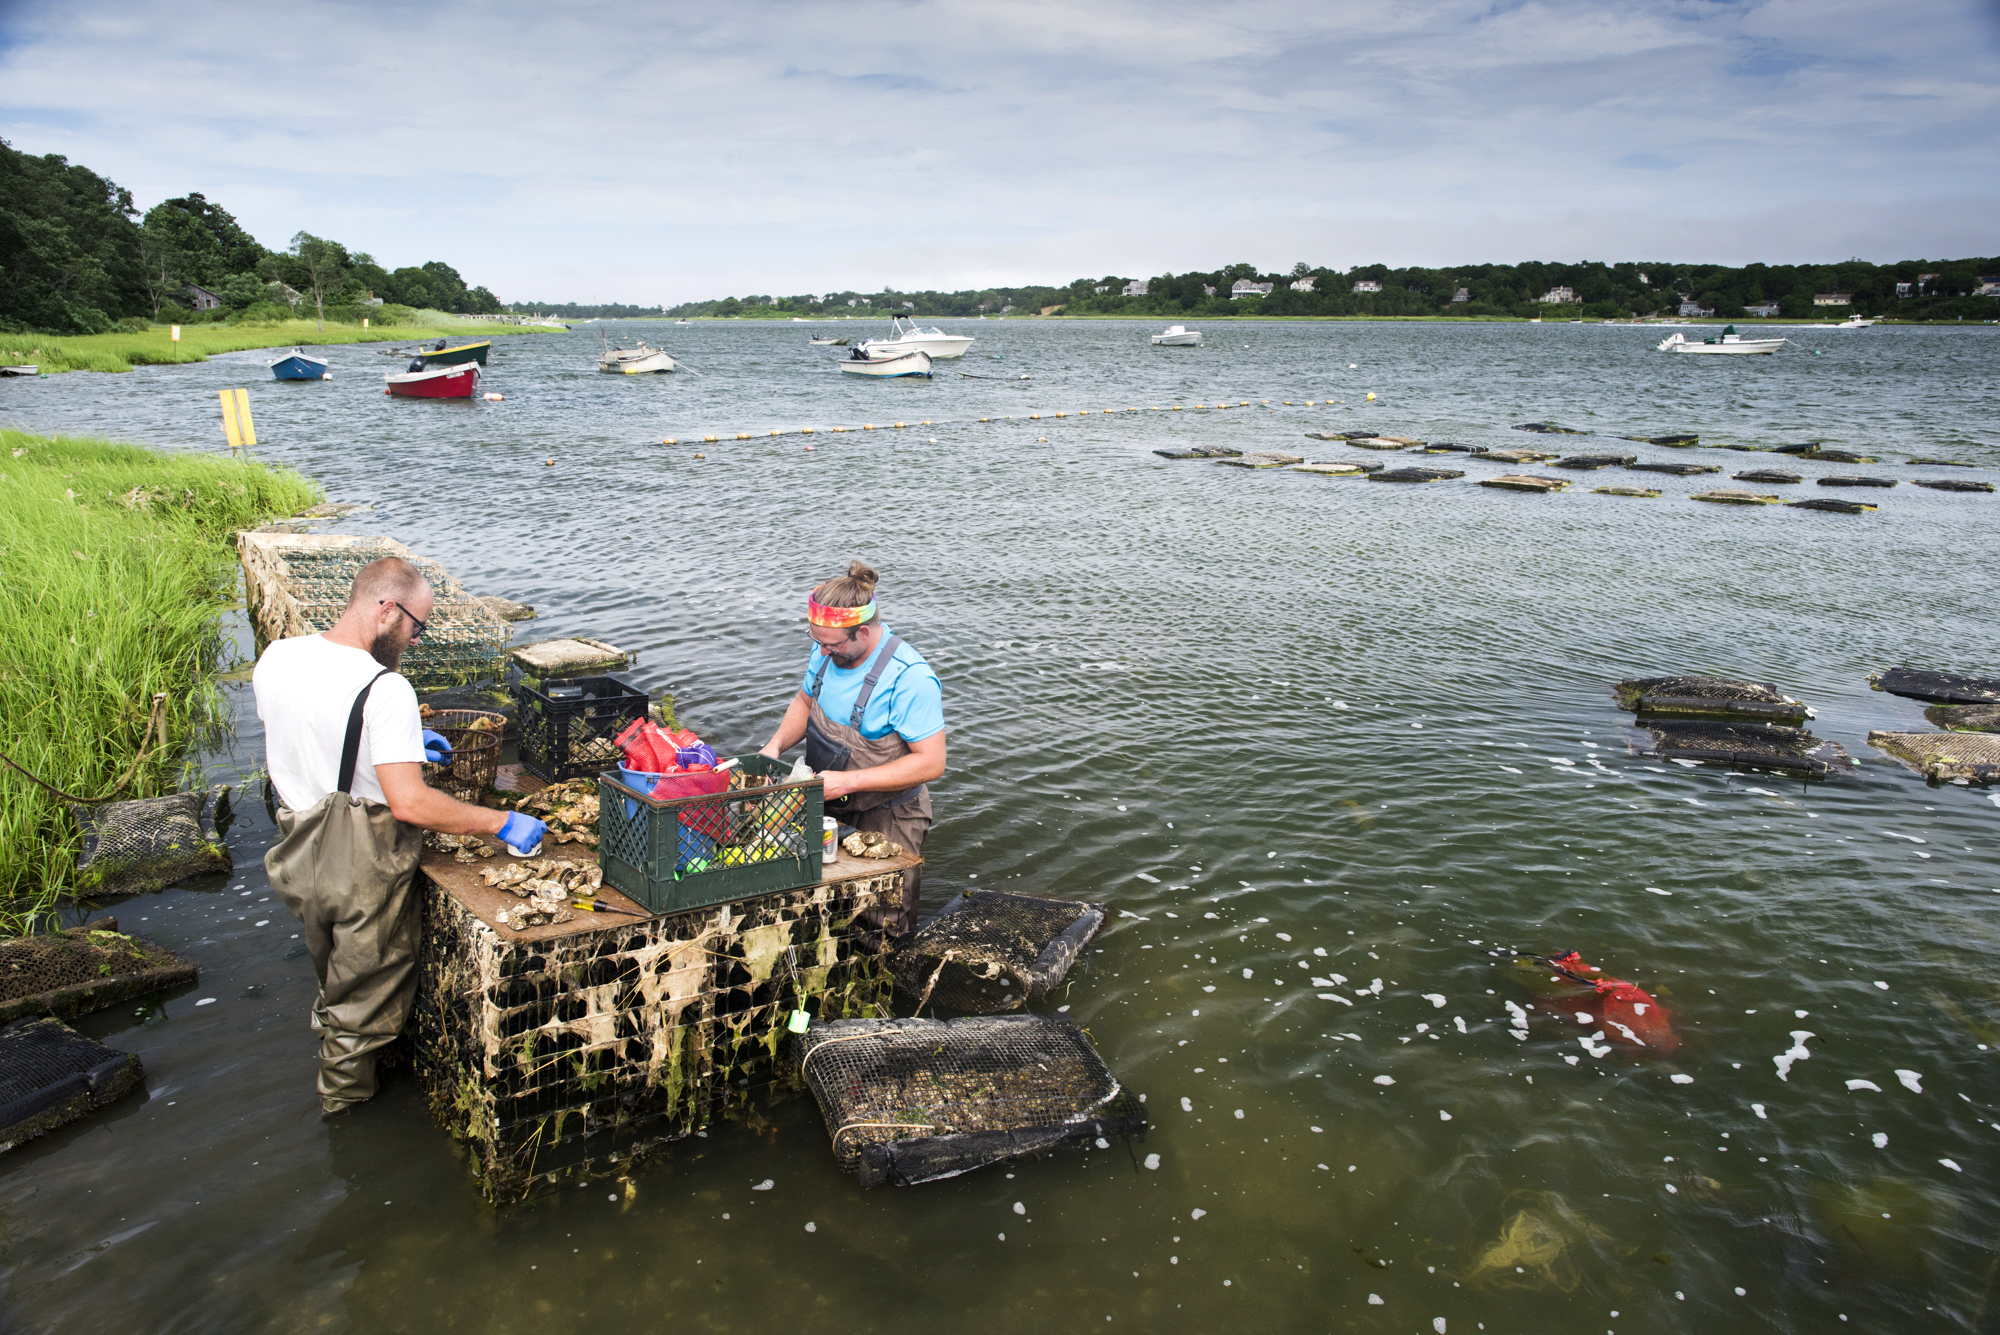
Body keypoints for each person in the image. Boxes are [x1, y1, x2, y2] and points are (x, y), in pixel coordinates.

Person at [253, 556, 545, 1116]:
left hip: (294, 845)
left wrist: (403, 742)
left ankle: (329, 1025)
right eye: (417, 625)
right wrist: (499, 822)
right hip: (358, 858)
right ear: (387, 609)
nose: (415, 640)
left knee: (332, 962)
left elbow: (303, 731)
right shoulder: (384, 688)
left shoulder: (279, 656)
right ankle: (346, 1108)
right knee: (366, 994)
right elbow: (409, 802)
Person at [759, 561, 944, 936]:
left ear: (862, 631)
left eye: (830, 644)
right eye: (817, 643)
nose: (822, 653)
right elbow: (805, 701)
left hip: (888, 815)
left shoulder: (910, 678)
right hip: (827, 800)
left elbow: (932, 763)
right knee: (818, 906)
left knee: (880, 924)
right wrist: (774, 746)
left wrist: (848, 781)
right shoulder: (828, 652)